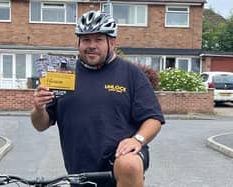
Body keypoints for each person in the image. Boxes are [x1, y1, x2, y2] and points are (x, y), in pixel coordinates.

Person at [31, 10, 165, 187]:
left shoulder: (131, 74)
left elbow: (153, 118)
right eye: (86, 40)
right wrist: (39, 108)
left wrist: (137, 140)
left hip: (119, 162)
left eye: (98, 40)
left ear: (112, 42)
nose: (91, 45)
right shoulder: (63, 73)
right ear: (79, 42)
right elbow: (40, 125)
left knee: (129, 164)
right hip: (79, 170)